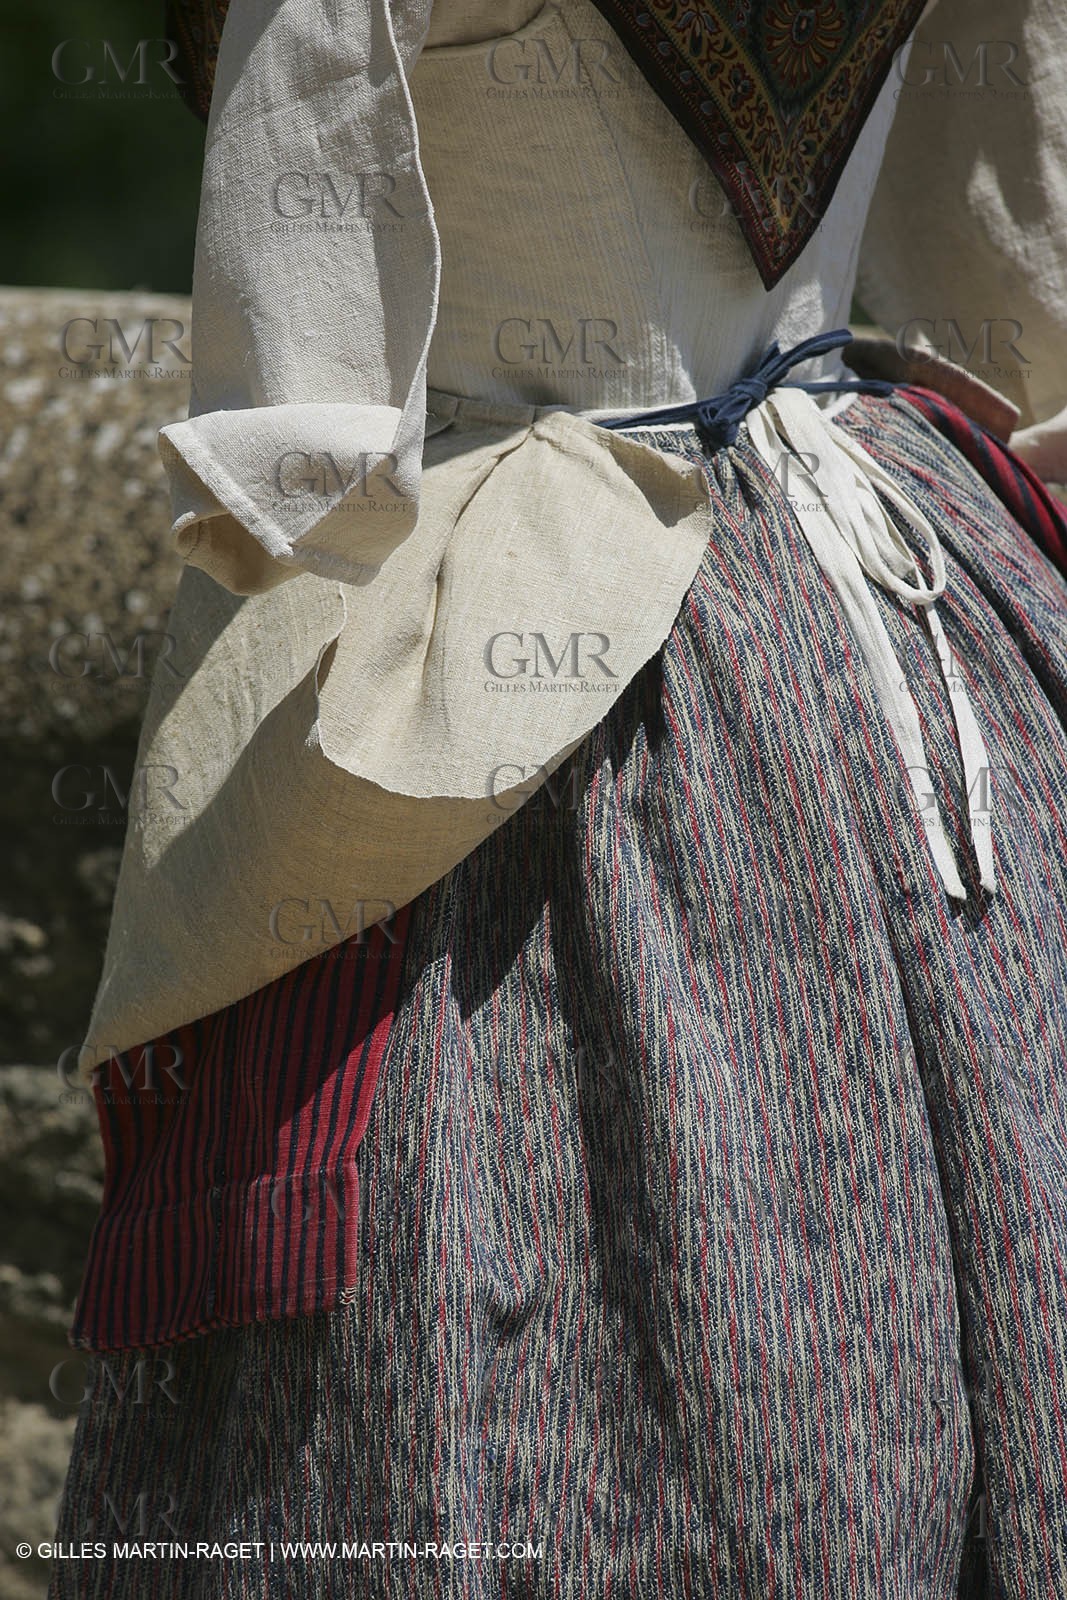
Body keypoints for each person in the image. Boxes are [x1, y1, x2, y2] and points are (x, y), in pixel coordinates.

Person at [50, 1, 1067, 1595]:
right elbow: (1016, 259)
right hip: (892, 601)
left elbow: (303, 392)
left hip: (513, 614)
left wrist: (300, 474)